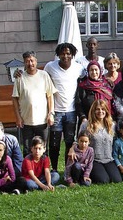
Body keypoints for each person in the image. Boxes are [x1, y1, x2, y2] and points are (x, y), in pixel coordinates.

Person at [44, 42, 83, 172]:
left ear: (72, 55)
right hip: (56, 112)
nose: (65, 56)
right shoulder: (50, 67)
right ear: (58, 54)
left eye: (68, 53)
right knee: (54, 144)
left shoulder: (79, 68)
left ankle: (68, 169)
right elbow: (43, 80)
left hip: (72, 112)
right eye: (63, 53)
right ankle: (54, 169)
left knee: (69, 142)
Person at [12, 51, 56, 153]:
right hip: (26, 120)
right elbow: (14, 98)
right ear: (24, 63)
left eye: (32, 60)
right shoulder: (19, 77)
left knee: (43, 149)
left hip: (42, 120)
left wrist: (51, 113)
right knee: (27, 149)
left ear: (36, 61)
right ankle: (28, 169)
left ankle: (44, 169)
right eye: (27, 61)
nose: (30, 63)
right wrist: (18, 117)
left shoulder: (44, 75)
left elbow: (50, 96)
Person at [74, 99, 122, 184]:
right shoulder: (86, 125)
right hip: (94, 160)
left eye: (103, 109)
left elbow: (116, 141)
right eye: (97, 109)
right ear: (93, 111)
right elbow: (78, 140)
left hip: (108, 159)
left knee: (117, 180)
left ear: (106, 111)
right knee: (103, 180)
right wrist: (72, 149)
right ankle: (84, 175)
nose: (100, 111)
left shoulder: (112, 125)